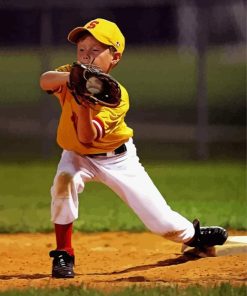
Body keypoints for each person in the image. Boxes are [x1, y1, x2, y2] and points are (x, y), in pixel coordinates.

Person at [40, 18, 228, 278]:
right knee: (63, 183)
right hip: (76, 156)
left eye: (95, 51)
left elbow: (86, 137)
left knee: (162, 224)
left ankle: (194, 237)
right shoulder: (71, 73)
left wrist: (83, 103)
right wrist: (72, 78)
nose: (86, 56)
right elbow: (45, 81)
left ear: (114, 57)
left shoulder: (116, 97)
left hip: (118, 160)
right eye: (82, 50)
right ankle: (63, 254)